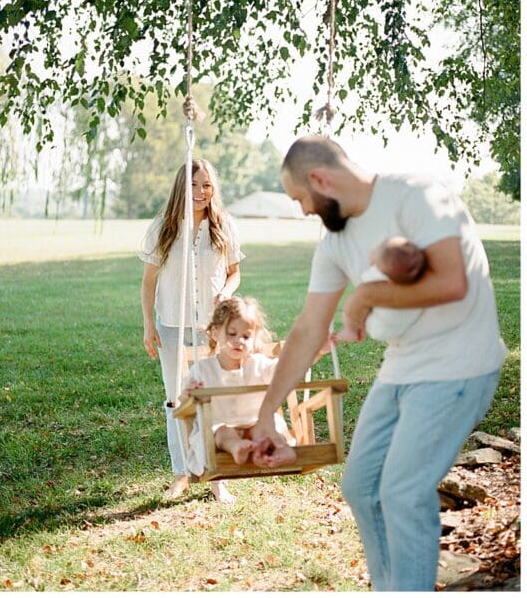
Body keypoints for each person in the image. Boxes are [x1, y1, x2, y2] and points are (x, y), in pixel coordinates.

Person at [251, 135, 506, 591]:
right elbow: (309, 328)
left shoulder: (417, 193)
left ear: (319, 178)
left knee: (403, 493)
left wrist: (366, 295)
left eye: (301, 199)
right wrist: (267, 411)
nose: (304, 210)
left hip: (459, 364)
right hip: (403, 369)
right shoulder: (334, 244)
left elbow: (452, 283)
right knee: (362, 488)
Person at [139, 159, 244, 501]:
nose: (201, 192)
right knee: (177, 399)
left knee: (210, 397)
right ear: (182, 187)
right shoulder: (163, 228)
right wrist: (148, 325)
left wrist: (226, 292)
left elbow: (234, 272)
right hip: (171, 323)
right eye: (195, 185)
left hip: (210, 327)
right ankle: (181, 473)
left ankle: (216, 477)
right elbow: (149, 282)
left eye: (207, 185)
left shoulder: (223, 226)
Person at [182, 297, 296, 489]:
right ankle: (236, 447)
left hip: (255, 425)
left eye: (246, 336)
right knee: (222, 433)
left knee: (264, 428)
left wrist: (316, 350)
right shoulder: (203, 370)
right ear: (216, 333)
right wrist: (189, 393)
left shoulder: (259, 364)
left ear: (255, 338)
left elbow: (288, 369)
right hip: (221, 429)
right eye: (232, 333)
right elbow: (183, 402)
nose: (238, 341)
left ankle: (270, 448)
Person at [338, 236, 426, 342]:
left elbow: (365, 290)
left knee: (354, 305)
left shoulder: (374, 276)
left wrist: (372, 262)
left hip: (378, 326)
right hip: (407, 323)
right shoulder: (416, 279)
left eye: (376, 250)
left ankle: (350, 331)